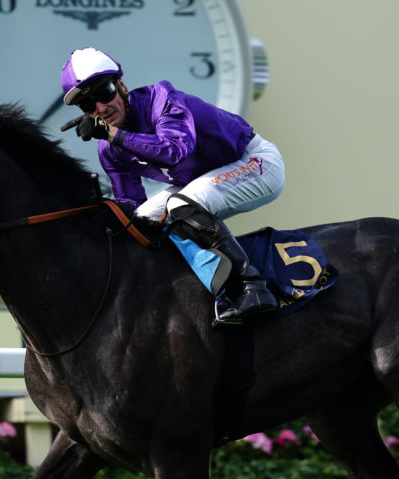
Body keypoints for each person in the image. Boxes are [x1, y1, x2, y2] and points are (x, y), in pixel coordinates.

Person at [60, 47, 285, 324]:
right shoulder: (109, 149)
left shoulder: (162, 99)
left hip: (255, 162)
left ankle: (253, 286)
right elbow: (131, 209)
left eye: (104, 93)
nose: (101, 109)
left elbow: (174, 150)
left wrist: (112, 134)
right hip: (201, 180)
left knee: (179, 205)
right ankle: (188, 296)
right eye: (88, 105)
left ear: (121, 85)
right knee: (141, 222)